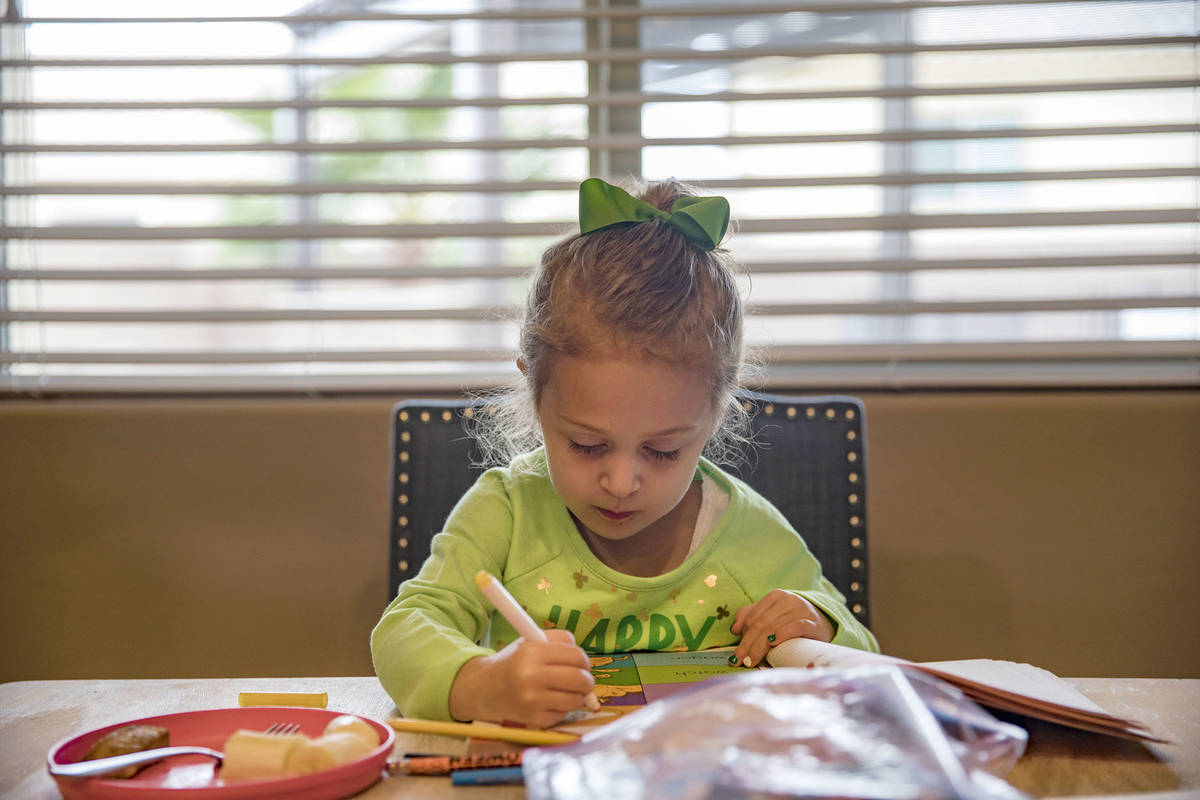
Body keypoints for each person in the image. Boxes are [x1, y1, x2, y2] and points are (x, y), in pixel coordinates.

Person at [371, 178, 879, 728]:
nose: (621, 482)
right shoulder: (508, 513)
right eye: (587, 445)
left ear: (714, 416)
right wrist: (481, 686)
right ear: (535, 396)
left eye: (662, 451)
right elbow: (404, 630)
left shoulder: (748, 534)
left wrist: (820, 626)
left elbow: (864, 656)